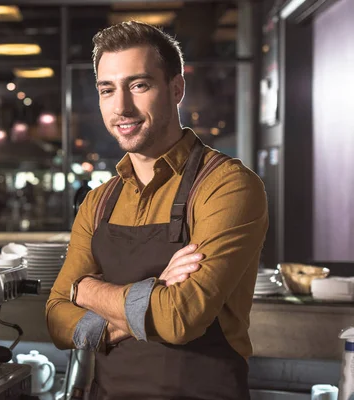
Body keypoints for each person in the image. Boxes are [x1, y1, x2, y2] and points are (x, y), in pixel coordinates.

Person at [45, 21, 268, 399]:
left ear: (176, 89)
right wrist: (152, 295)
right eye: (107, 89)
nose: (121, 107)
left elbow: (179, 318)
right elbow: (54, 318)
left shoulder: (228, 186)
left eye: (139, 85)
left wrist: (86, 290)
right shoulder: (98, 202)